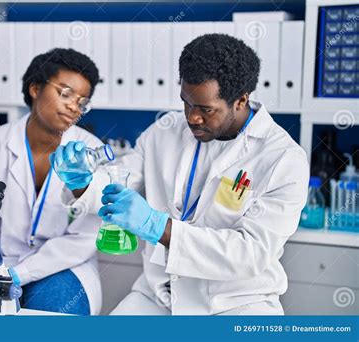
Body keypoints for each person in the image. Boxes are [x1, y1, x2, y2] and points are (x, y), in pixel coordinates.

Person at [51, 34, 310, 315]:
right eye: (186, 102)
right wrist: (81, 181)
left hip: (236, 304)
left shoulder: (283, 159)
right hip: (158, 298)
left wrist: (157, 226)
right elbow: (119, 181)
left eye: (206, 109)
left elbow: (250, 254)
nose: (192, 117)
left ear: (240, 100)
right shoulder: (166, 129)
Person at [0, 48, 103, 315]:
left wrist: (22, 273)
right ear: (35, 88)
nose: (74, 106)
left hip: (64, 267)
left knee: (50, 315)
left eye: (82, 101)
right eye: (65, 93)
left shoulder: (90, 151)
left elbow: (85, 237)